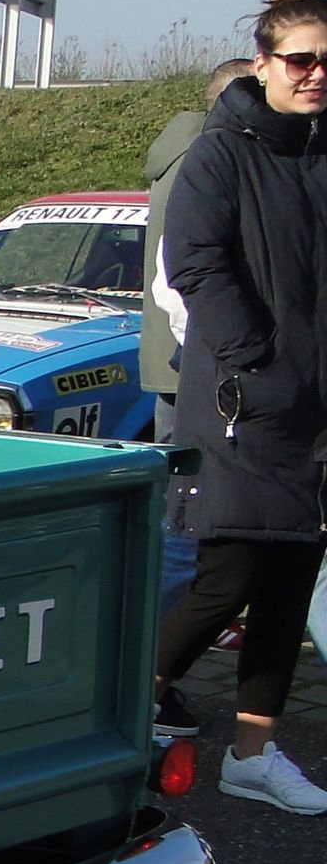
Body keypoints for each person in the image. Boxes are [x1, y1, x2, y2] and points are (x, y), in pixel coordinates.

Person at [154, 0, 327, 814]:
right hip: (245, 400)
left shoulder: (323, 150)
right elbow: (194, 262)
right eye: (300, 60)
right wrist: (255, 356)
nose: (316, 74)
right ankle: (128, 697)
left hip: (317, 407)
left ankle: (253, 752)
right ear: (263, 63)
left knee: (294, 571)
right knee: (229, 575)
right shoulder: (223, 151)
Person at [144, 59, 254, 622]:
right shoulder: (209, 165)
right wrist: (241, 349)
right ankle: (154, 670)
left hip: (188, 363)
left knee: (187, 518)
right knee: (189, 524)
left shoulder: (181, 158)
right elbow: (185, 278)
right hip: (206, 369)